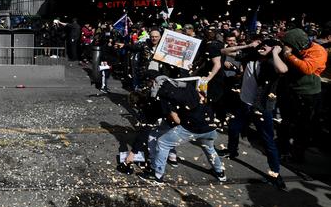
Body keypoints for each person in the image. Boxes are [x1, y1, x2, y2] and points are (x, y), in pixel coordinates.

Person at [220, 38, 288, 189]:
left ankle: (275, 174)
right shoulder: (250, 56)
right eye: (263, 44)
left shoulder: (271, 63)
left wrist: (276, 52)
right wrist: (248, 45)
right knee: (233, 128)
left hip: (261, 108)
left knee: (268, 141)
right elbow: (224, 52)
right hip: (244, 103)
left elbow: (283, 70)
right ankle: (232, 151)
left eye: (268, 46)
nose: (263, 47)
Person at [138, 79, 227, 185]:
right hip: (209, 125)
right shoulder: (186, 86)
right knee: (209, 147)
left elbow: (176, 120)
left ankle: (156, 175)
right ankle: (220, 173)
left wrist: (183, 123)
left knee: (163, 142)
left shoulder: (165, 95)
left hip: (192, 127)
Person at [279, 28, 327, 162]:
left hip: (308, 93)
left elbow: (307, 68)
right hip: (292, 90)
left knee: (303, 125)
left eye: (288, 44)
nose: (286, 47)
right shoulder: (294, 49)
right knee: (288, 120)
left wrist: (289, 56)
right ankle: (284, 147)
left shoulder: (318, 51)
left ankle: (298, 153)